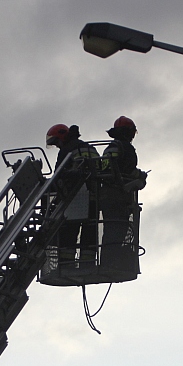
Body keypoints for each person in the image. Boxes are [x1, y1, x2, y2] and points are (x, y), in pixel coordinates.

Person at [46, 123, 99, 268]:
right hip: (94, 198)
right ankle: (87, 264)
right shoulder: (90, 148)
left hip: (74, 199)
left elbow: (58, 175)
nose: (57, 146)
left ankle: (66, 265)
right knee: (90, 233)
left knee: (68, 234)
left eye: (57, 142)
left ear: (62, 138)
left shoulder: (67, 150)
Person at [99, 116, 145, 271]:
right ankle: (112, 263)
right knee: (119, 230)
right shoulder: (126, 148)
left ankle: (107, 261)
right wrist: (140, 177)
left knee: (110, 230)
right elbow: (127, 169)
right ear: (129, 132)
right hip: (119, 196)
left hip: (106, 195)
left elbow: (109, 169)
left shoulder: (110, 148)